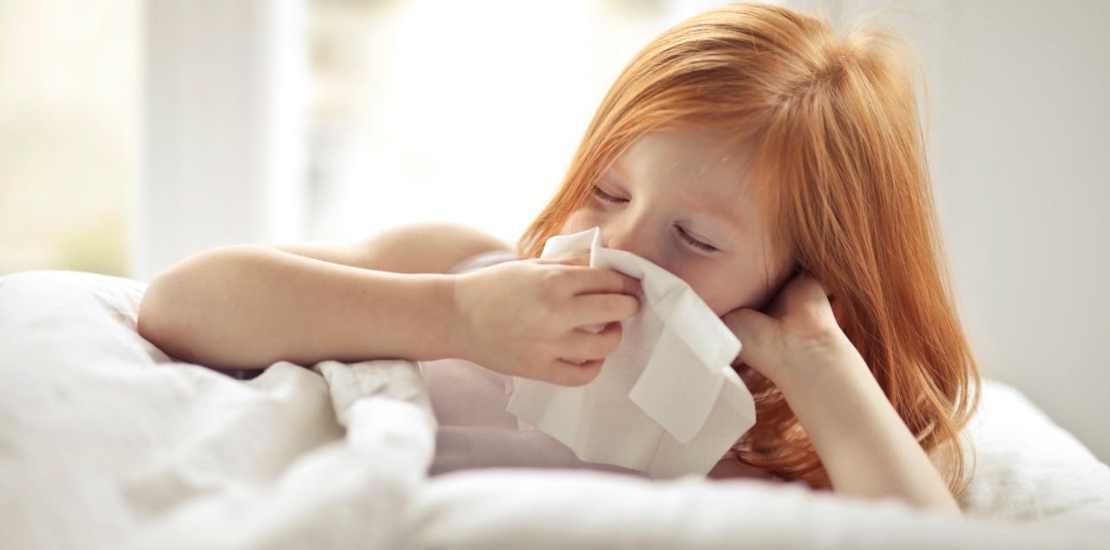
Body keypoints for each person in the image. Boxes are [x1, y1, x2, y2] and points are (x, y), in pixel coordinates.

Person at [138, 2, 979, 512]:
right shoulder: (459, 268)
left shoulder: (733, 463)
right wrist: (453, 318)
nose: (619, 243)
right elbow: (179, 304)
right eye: (607, 190)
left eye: (694, 240)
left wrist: (817, 361)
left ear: (798, 280)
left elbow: (921, 538)